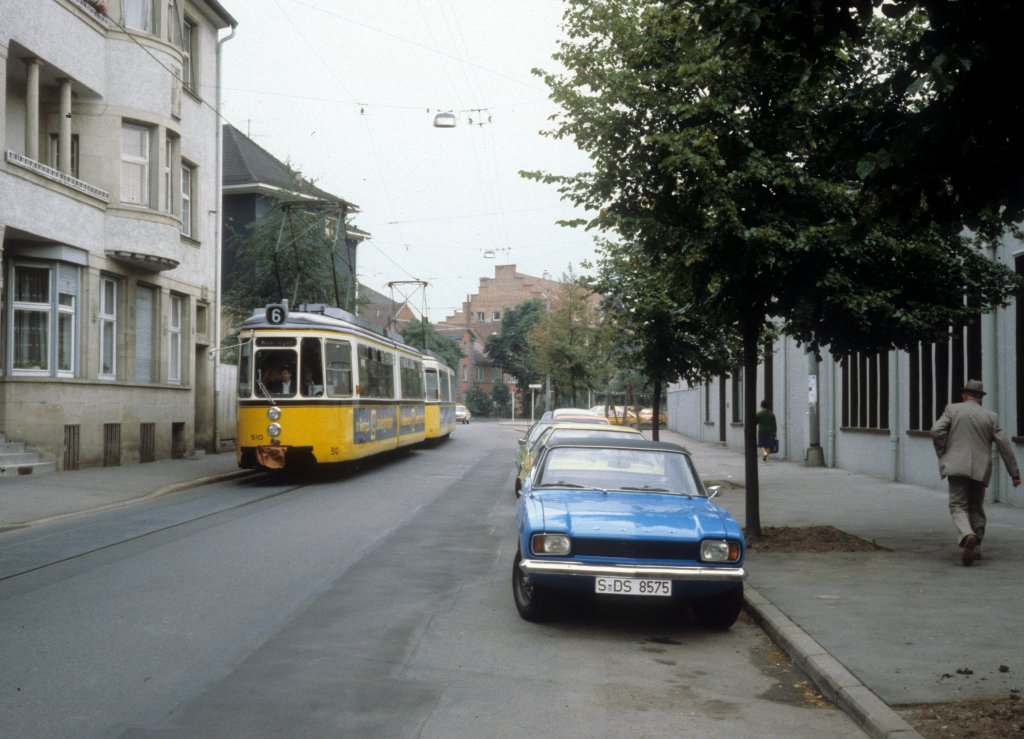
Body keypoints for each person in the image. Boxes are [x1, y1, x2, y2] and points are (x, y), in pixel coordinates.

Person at [931, 379, 1021, 567]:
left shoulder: (952, 409)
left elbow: (936, 430)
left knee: (958, 505)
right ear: (980, 398)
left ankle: (966, 534)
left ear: (965, 395)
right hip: (981, 468)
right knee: (976, 506)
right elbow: (1004, 444)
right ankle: (977, 547)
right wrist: (1014, 473)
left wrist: (943, 452)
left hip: (957, 466)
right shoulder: (991, 416)